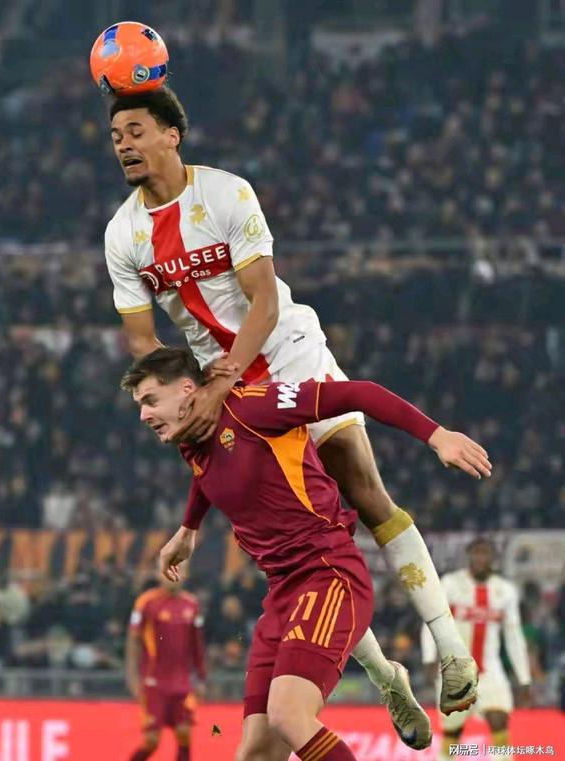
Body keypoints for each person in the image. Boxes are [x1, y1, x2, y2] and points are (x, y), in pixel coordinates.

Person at [103, 86, 480, 716]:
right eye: (116, 137)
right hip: (213, 381)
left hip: (284, 351)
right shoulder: (122, 234)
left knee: (364, 490)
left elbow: (265, 300)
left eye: (136, 131)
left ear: (172, 134)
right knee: (287, 538)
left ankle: (451, 651)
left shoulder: (227, 194)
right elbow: (143, 341)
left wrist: (223, 382)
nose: (124, 145)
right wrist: (181, 392)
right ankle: (386, 675)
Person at [121, 347, 492, 761]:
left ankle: (427, 660)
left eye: (150, 400)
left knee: (289, 716)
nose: (144, 415)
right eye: (140, 405)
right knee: (255, 753)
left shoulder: (253, 408)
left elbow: (359, 393)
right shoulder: (190, 439)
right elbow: (208, 473)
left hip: (328, 574)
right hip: (282, 593)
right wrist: (189, 528)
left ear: (188, 389)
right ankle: (387, 677)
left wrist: (437, 436)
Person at [421, 537, 532, 761]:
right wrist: (429, 657)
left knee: (499, 719)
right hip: (455, 669)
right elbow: (432, 620)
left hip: (490, 670)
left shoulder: (505, 591)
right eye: (477, 552)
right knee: (453, 732)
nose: (481, 558)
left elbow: (514, 637)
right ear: (469, 555)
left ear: (493, 558)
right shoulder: (451, 584)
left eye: (486, 553)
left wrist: (524, 678)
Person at [126, 569, 206, 761]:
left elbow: (197, 645)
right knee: (151, 741)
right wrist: (132, 677)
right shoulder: (146, 602)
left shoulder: (192, 604)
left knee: (184, 734)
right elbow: (133, 641)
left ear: (185, 575)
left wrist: (201, 678)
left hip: (182, 682)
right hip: (154, 682)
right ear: (159, 574)